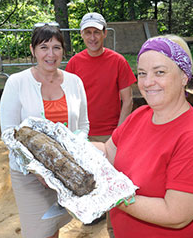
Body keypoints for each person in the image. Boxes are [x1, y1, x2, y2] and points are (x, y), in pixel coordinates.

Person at [93, 34, 193, 237]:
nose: (148, 82)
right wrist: (71, 148)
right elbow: (108, 151)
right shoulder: (139, 116)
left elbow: (175, 214)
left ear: (184, 77)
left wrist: (111, 195)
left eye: (159, 72)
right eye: (142, 73)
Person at [0, 22, 89, 238]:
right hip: (29, 175)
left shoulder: (74, 82)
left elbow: (83, 126)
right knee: (37, 231)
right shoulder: (17, 83)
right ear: (33, 50)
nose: (51, 54)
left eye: (56, 47)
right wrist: (37, 170)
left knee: (53, 226)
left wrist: (75, 152)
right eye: (44, 47)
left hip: (65, 173)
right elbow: (9, 134)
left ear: (63, 51)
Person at [65, 13, 136, 234]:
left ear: (104, 34)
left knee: (112, 181)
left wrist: (119, 132)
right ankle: (95, 212)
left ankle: (113, 228)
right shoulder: (75, 63)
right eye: (88, 32)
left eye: (97, 32)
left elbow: (128, 100)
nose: (93, 37)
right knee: (89, 178)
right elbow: (68, 100)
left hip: (111, 134)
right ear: (82, 35)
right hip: (83, 134)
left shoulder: (118, 61)